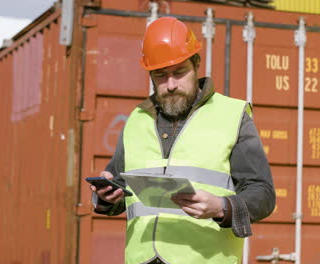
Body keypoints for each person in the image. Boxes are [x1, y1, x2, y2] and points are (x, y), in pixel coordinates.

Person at [89, 17, 275, 264]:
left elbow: (263, 195)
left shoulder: (233, 116)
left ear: (196, 64)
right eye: (161, 76)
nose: (171, 84)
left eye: (179, 72)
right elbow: (120, 192)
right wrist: (106, 196)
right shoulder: (137, 119)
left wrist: (221, 207)